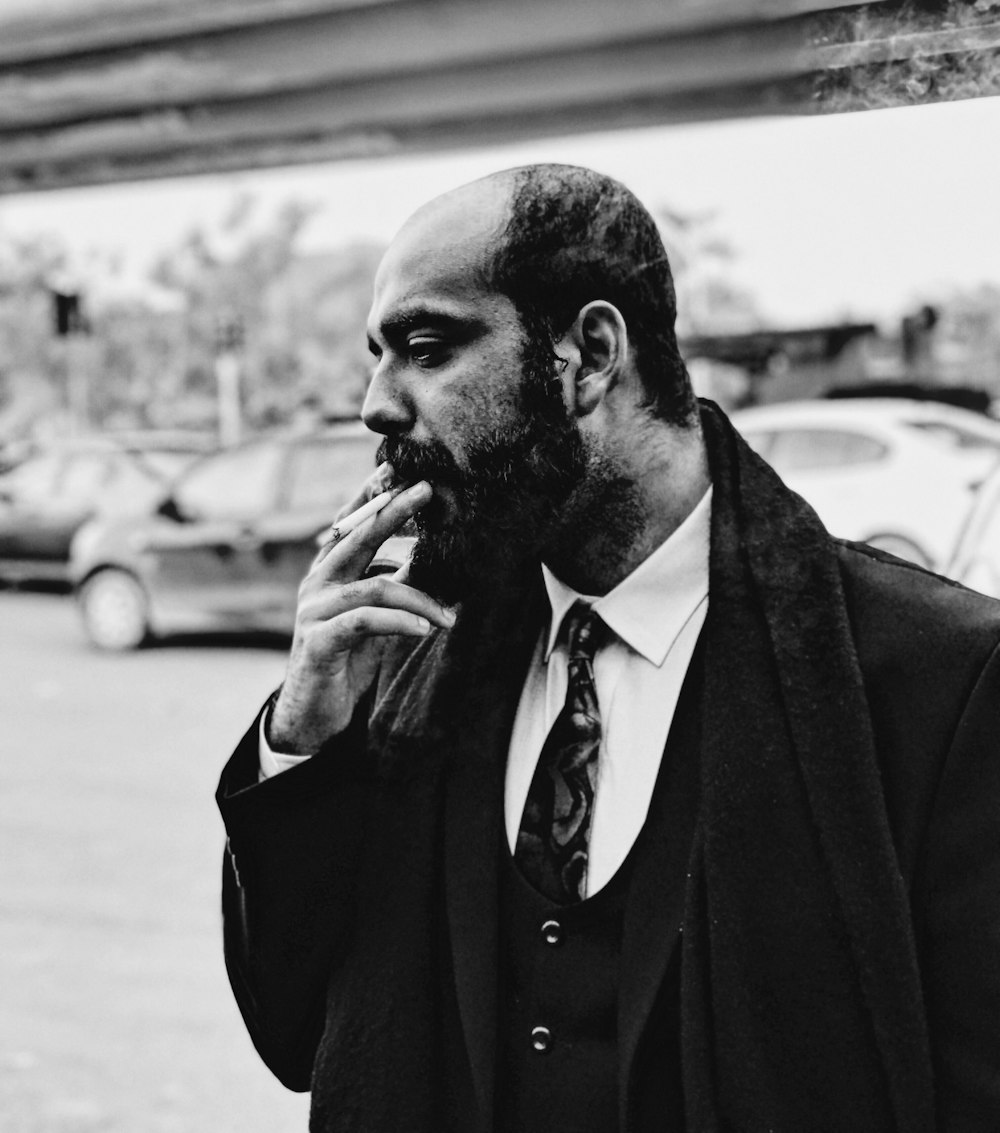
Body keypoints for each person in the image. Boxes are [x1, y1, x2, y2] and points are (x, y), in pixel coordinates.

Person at [217, 164, 1000, 1133]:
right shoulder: (407, 657)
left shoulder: (940, 678)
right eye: (376, 358)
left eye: (425, 347)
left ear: (589, 353)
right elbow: (292, 1026)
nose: (376, 405)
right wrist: (304, 735)